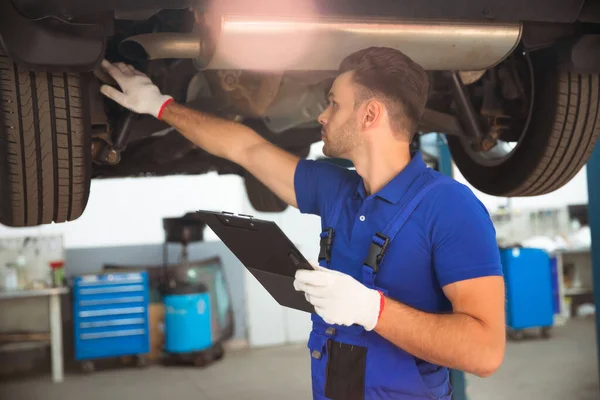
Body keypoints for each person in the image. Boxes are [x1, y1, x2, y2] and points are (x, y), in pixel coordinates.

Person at [100, 47, 506, 399]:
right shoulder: (336, 190)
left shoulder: (449, 206)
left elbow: (485, 352)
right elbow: (246, 147)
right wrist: (160, 106)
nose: (321, 115)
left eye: (333, 103)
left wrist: (372, 309)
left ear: (370, 115)